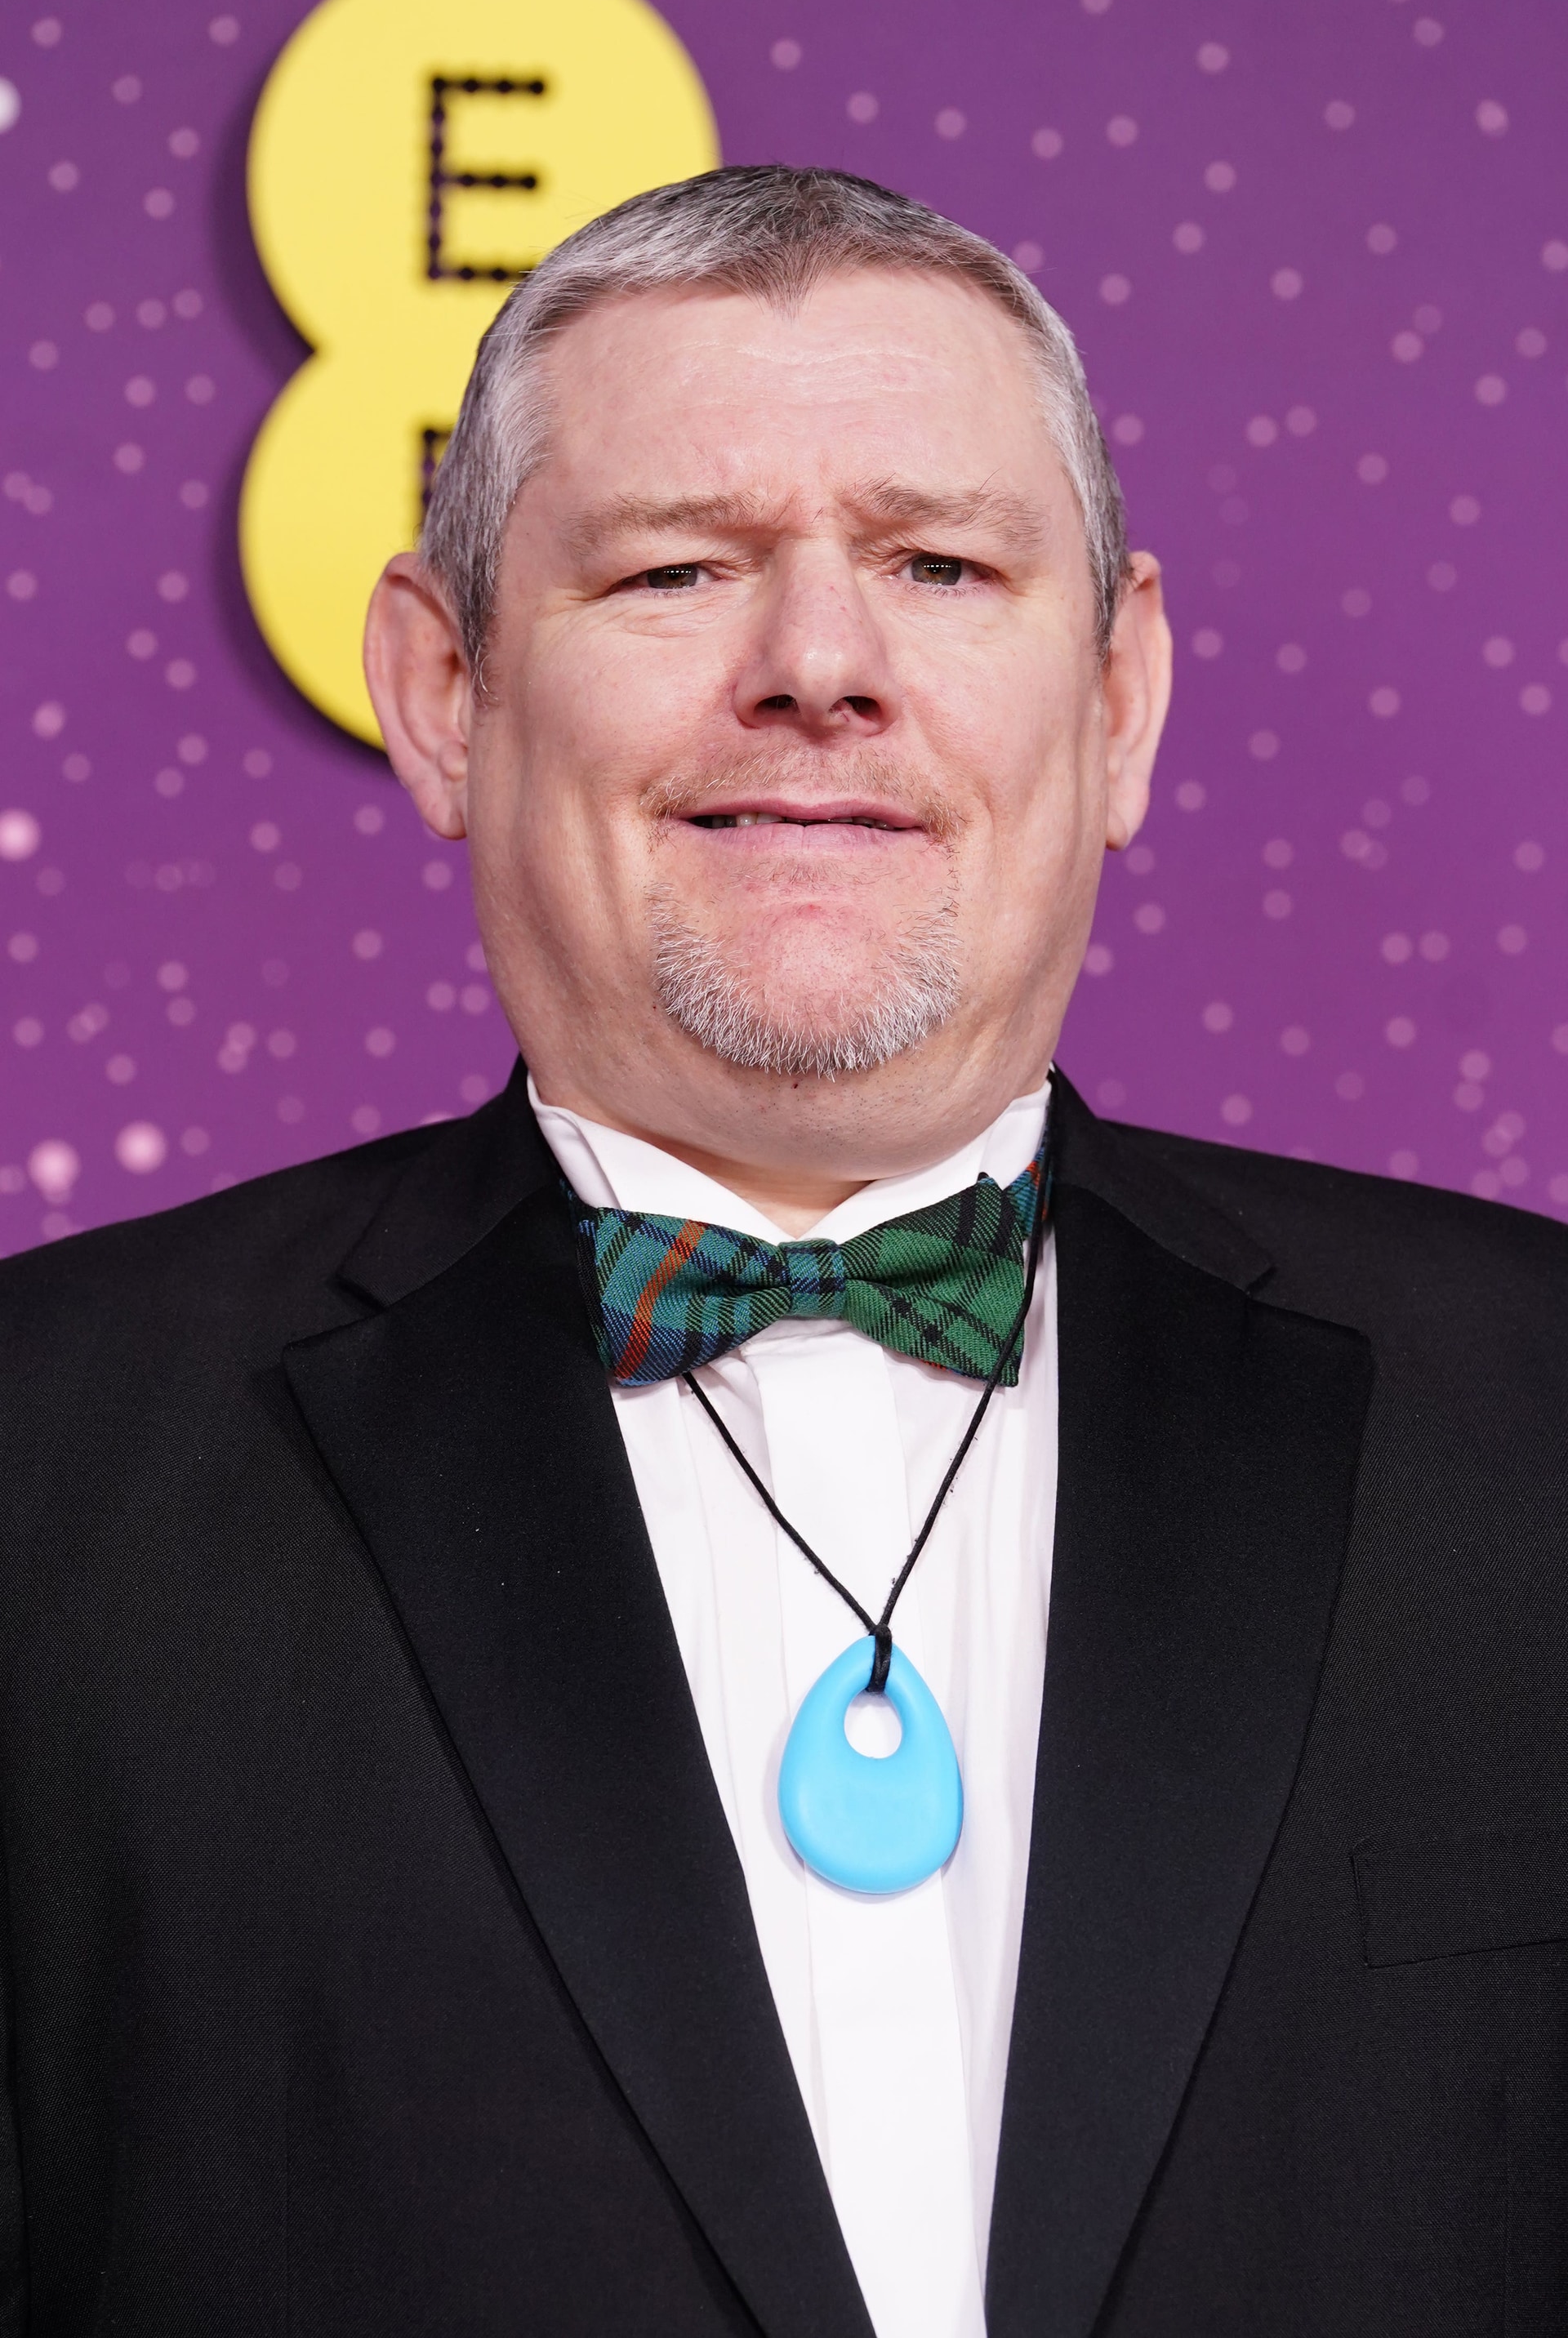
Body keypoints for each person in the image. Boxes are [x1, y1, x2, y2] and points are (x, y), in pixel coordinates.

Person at [2, 164, 1566, 2338]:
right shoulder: (40, 1472)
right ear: (444, 691)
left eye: (940, 565)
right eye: (676, 569)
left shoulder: (1540, 1419)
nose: (819, 667)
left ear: (1118, 698)